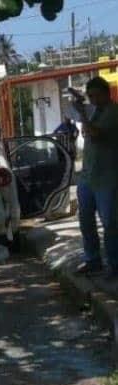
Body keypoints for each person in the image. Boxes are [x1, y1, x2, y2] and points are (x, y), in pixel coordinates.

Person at [72, 76, 118, 277]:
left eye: (95, 96)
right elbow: (86, 133)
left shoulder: (113, 112)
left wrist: (82, 113)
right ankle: (92, 259)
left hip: (106, 178)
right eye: (89, 96)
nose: (92, 100)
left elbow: (96, 134)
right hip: (88, 177)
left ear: (106, 93)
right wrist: (84, 114)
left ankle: (114, 265)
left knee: (110, 223)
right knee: (86, 220)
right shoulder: (95, 112)